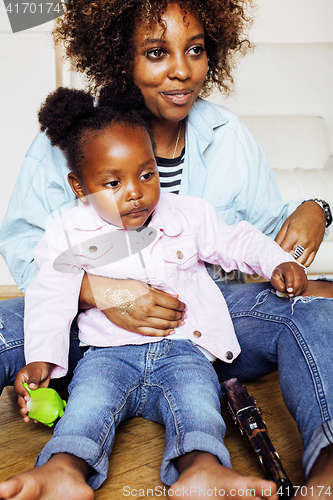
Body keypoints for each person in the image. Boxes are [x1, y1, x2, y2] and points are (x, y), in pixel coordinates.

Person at [0, 0, 332, 499]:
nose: (181, 70)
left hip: (195, 312)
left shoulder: (223, 141)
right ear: (120, 58)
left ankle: (327, 460)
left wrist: (318, 208)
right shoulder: (73, 140)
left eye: (195, 50)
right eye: (156, 52)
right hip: (86, 320)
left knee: (307, 312)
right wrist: (101, 293)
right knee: (14, 326)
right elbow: (36, 257)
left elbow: (249, 236)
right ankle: (64, 466)